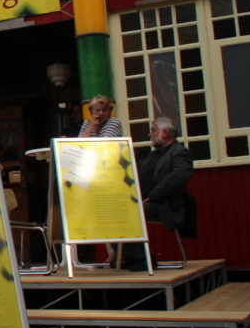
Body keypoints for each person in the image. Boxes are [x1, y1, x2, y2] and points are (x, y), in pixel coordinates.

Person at [125, 117, 196, 270]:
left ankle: (145, 259)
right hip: (145, 201)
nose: (150, 135)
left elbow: (179, 176)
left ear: (164, 132)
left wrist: (152, 196)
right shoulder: (154, 154)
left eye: (153, 130)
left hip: (163, 204)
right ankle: (128, 257)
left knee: (131, 212)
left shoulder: (180, 152)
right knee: (111, 211)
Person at [75, 94, 125, 263]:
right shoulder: (86, 125)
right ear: (91, 112)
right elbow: (79, 145)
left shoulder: (114, 123)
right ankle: (112, 252)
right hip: (93, 175)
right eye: (98, 110)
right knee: (100, 214)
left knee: (111, 213)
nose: (101, 113)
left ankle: (119, 253)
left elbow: (103, 145)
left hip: (113, 174)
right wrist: (91, 128)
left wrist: (92, 135)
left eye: (105, 110)